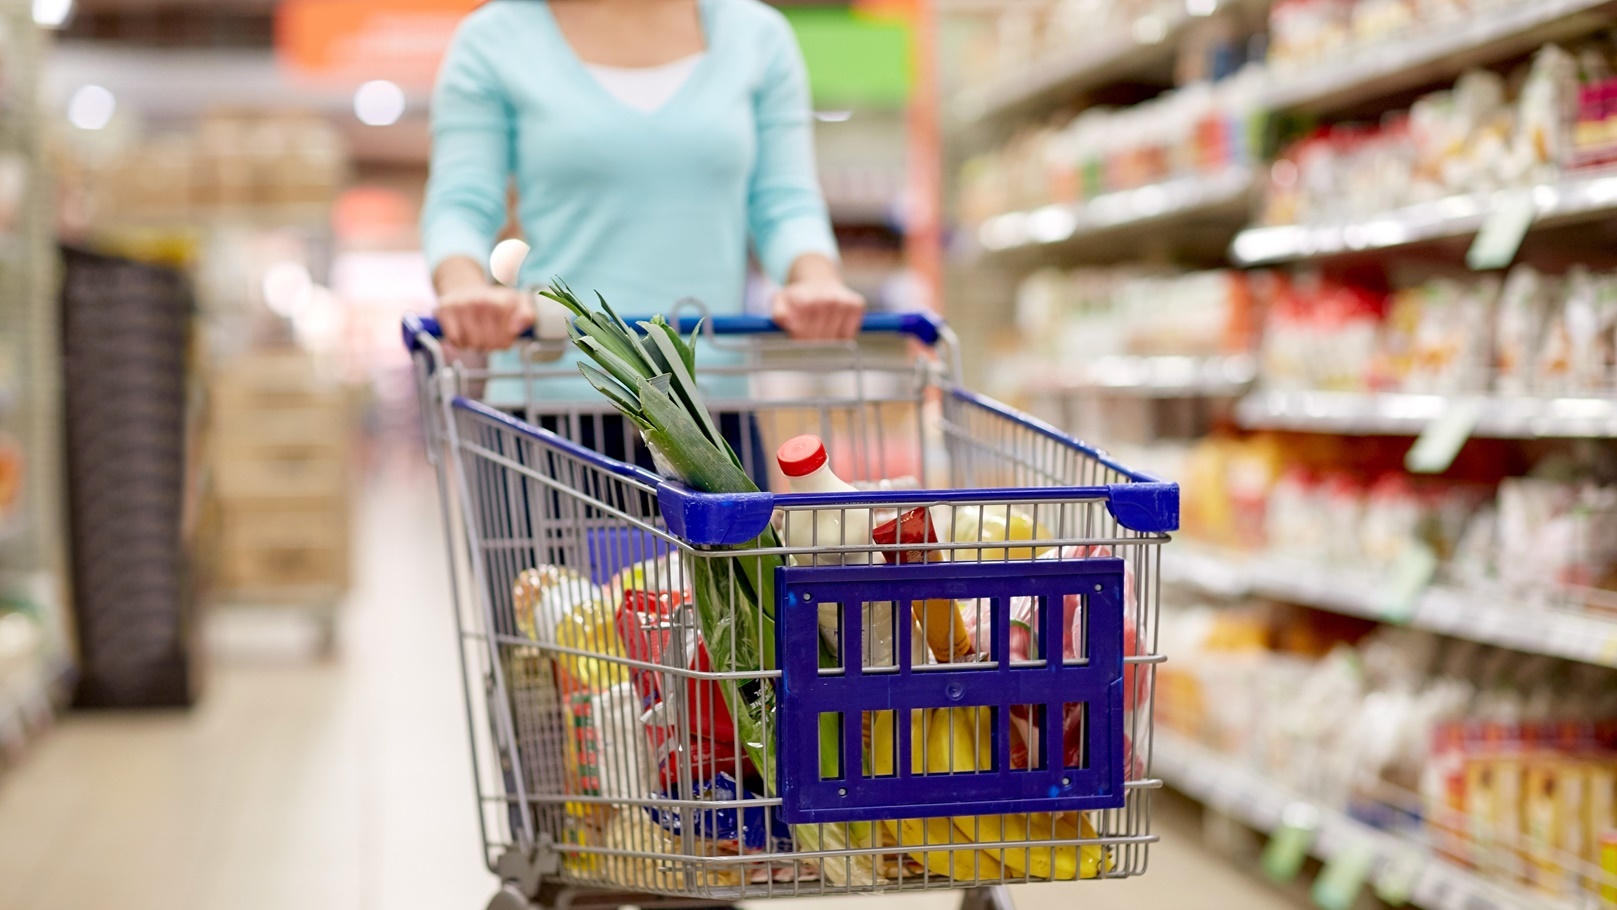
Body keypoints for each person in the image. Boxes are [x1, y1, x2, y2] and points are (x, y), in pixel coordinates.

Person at [422, 0, 866, 357]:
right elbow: (463, 202)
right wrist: (465, 290)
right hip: (552, 397)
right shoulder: (493, 39)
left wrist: (818, 282)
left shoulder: (758, 36)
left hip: (710, 402)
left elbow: (784, 202)